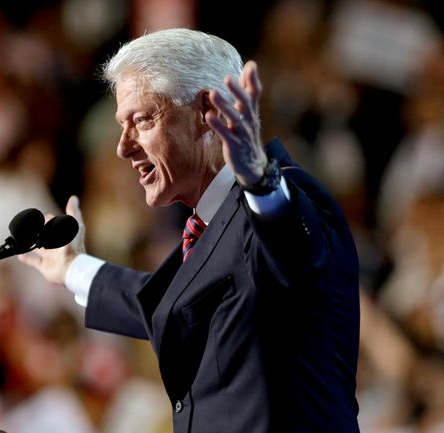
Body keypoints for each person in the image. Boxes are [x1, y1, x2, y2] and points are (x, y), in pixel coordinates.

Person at [19, 28, 360, 433]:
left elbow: (295, 254)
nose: (123, 146)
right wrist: (73, 268)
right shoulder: (210, 225)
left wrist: (260, 179)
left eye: (142, 120)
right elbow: (168, 306)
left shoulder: (288, 201)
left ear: (205, 112)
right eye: (121, 126)